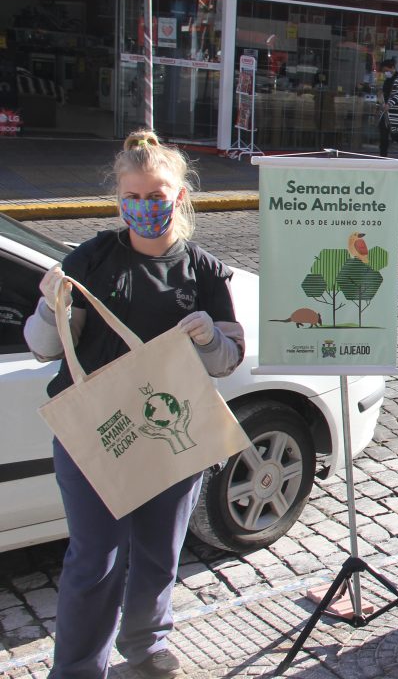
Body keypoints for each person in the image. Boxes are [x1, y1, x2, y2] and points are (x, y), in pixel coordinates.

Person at [24, 130, 245, 678]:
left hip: (176, 433)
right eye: (135, 197)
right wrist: (52, 307)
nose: (147, 207)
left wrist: (211, 338)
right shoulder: (91, 258)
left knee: (158, 553)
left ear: (181, 196)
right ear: (119, 200)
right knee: (94, 560)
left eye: (158, 194)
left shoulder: (205, 271)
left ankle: (146, 647)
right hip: (97, 433)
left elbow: (227, 360)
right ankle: (76, 670)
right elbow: (42, 347)